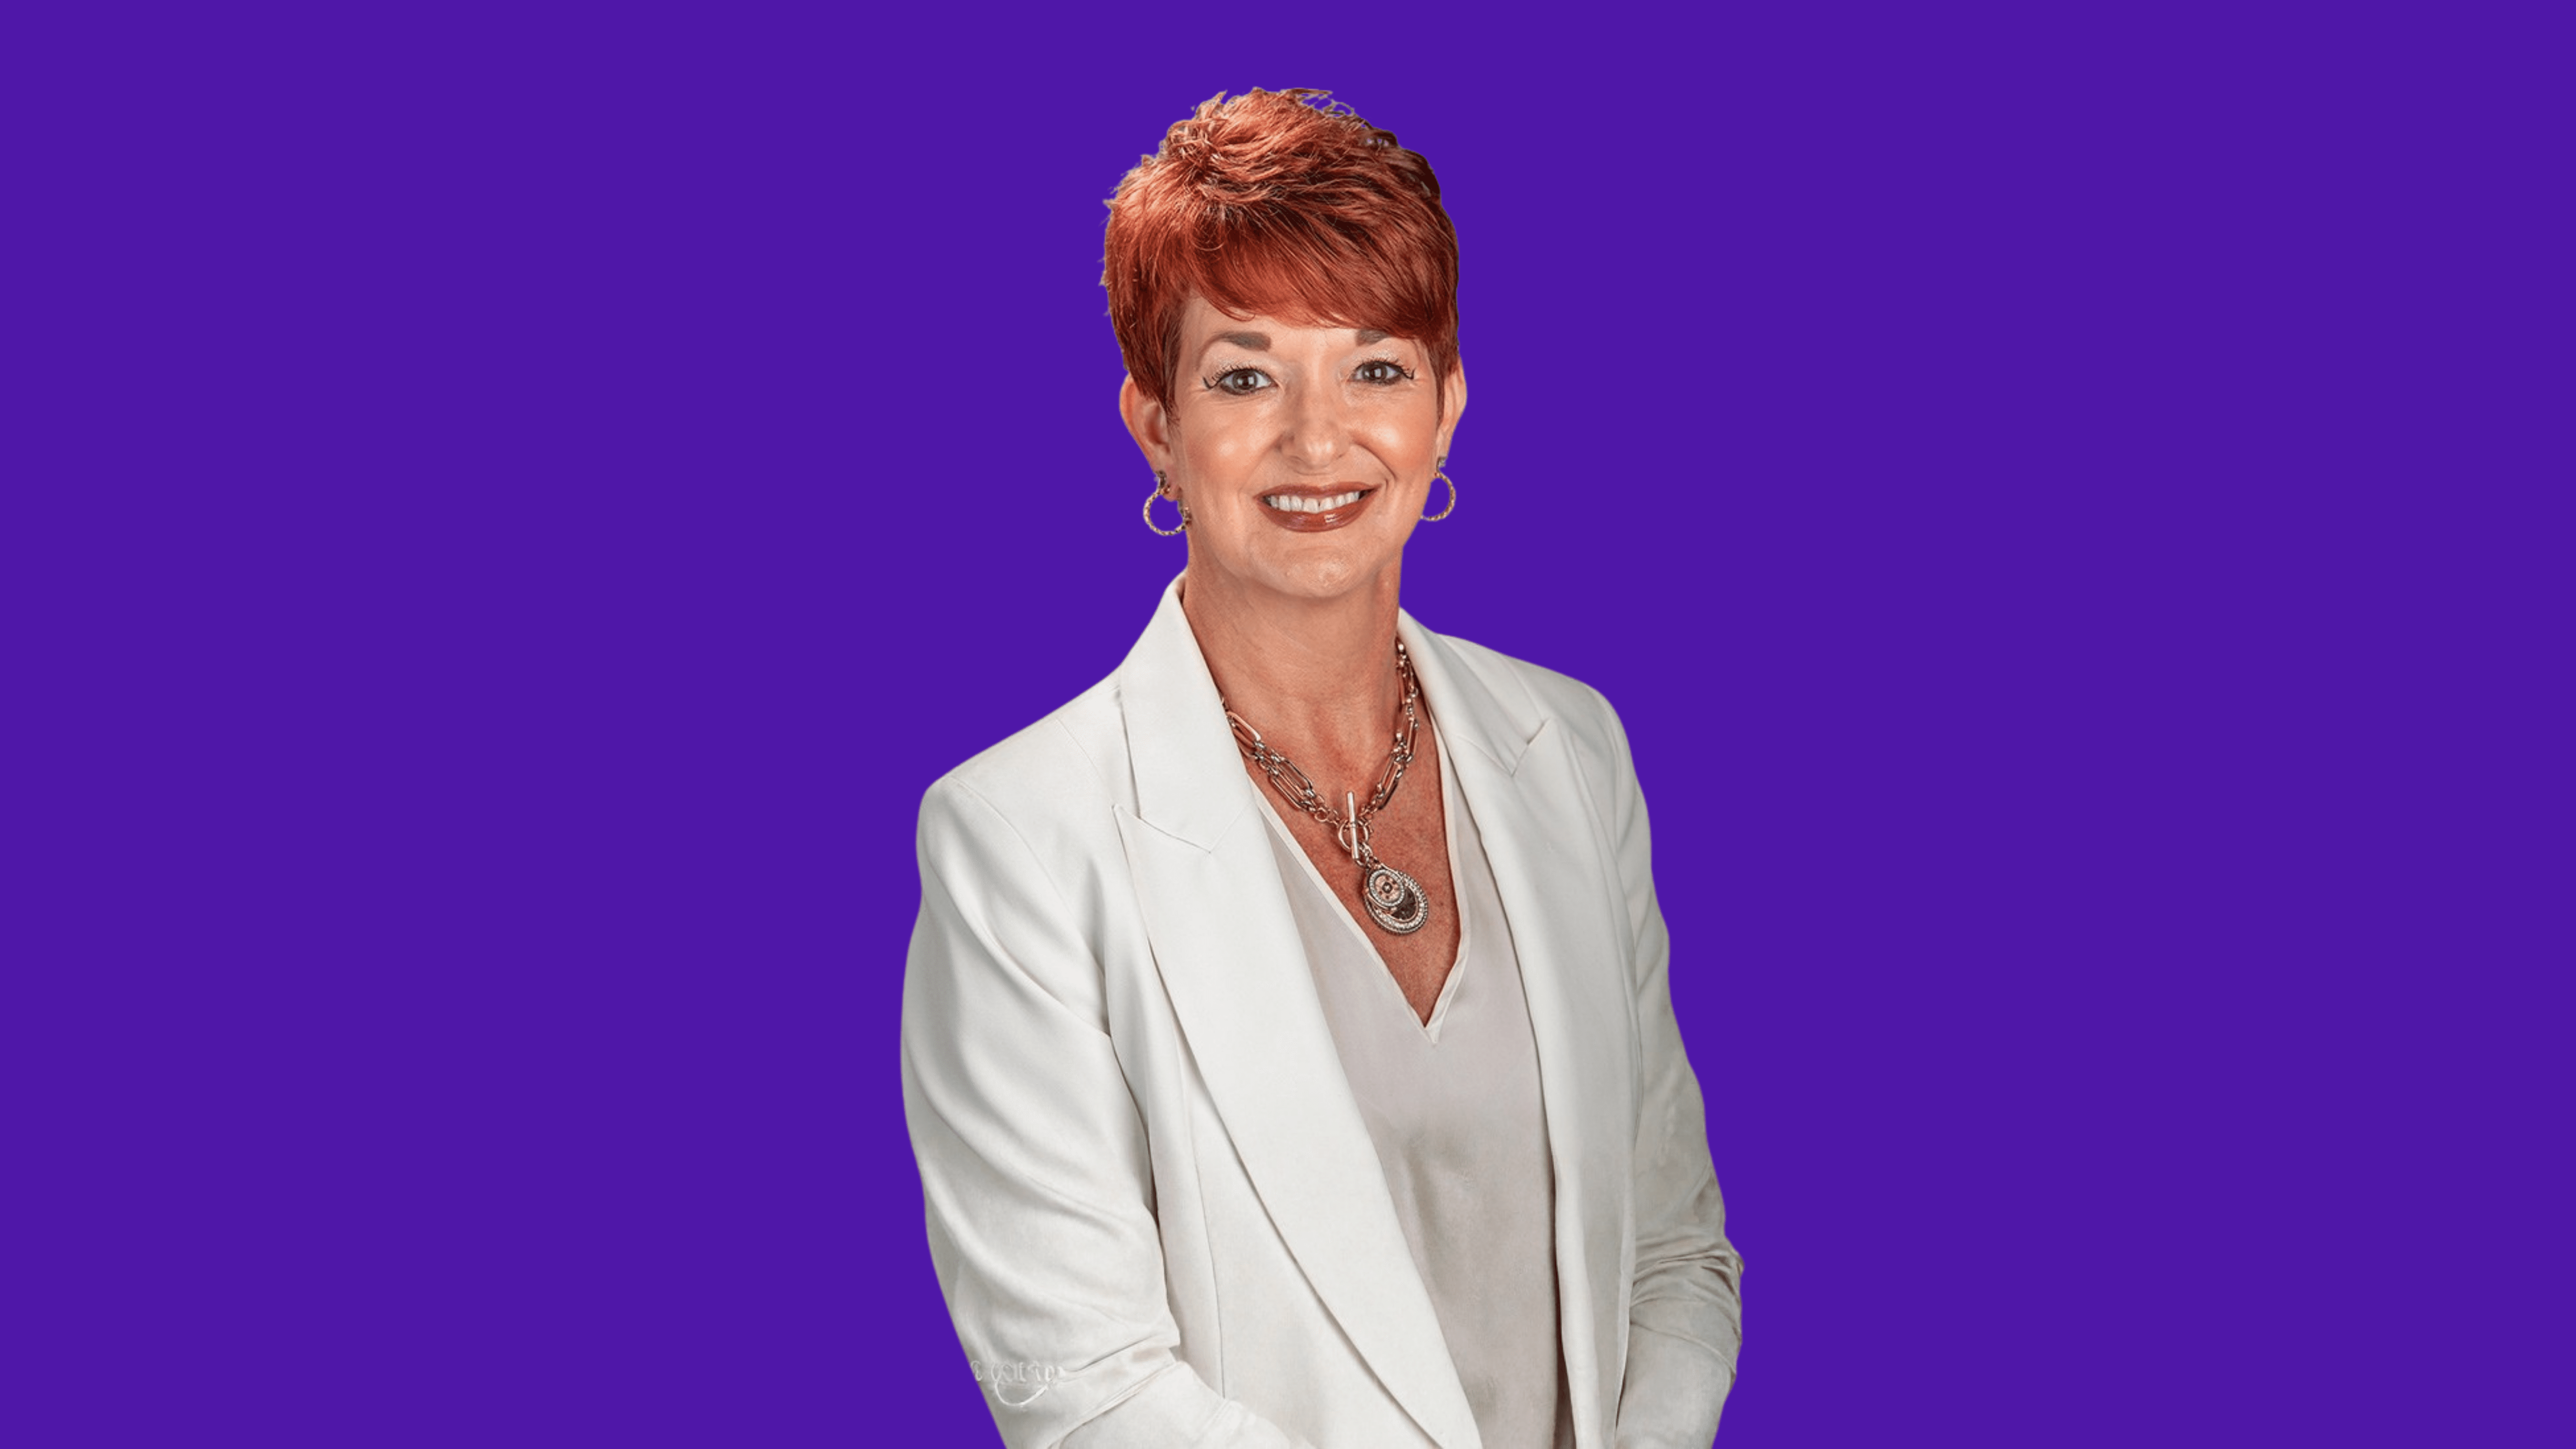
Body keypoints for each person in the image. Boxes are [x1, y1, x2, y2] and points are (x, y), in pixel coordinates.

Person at [902, 89, 1743, 1449]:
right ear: (1155, 423)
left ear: (1448, 407)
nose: (1317, 438)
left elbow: (1672, 1260)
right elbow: (1088, 1391)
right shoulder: (1020, 838)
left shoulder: (1573, 749)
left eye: (1377, 367)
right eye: (1244, 375)